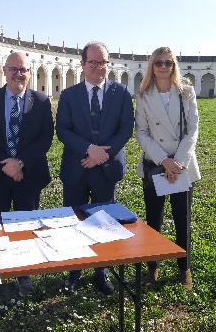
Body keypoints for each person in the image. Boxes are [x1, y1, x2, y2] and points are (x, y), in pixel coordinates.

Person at [0, 52, 54, 296]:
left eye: (24, 70)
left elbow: (45, 138)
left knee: (24, 227)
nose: (19, 74)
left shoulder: (40, 101)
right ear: (5, 71)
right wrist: (5, 164)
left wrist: (20, 163)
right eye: (13, 69)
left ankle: (23, 274)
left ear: (30, 73)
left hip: (28, 176)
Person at [56, 41, 134, 295]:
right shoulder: (69, 95)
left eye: (103, 62)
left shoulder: (121, 93)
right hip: (77, 166)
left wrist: (101, 154)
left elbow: (126, 129)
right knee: (74, 220)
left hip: (106, 168)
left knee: (104, 221)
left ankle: (102, 272)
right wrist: (89, 149)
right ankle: (74, 272)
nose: (99, 67)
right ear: (83, 65)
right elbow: (63, 130)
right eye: (93, 62)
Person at [135, 46, 200, 290]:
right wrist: (164, 160)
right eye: (159, 62)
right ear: (152, 66)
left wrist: (178, 162)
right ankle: (153, 267)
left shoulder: (186, 92)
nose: (163, 67)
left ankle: (184, 268)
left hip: (181, 164)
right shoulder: (143, 95)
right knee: (154, 219)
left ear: (174, 66)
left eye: (168, 63)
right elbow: (141, 133)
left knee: (182, 219)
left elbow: (192, 130)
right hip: (156, 163)